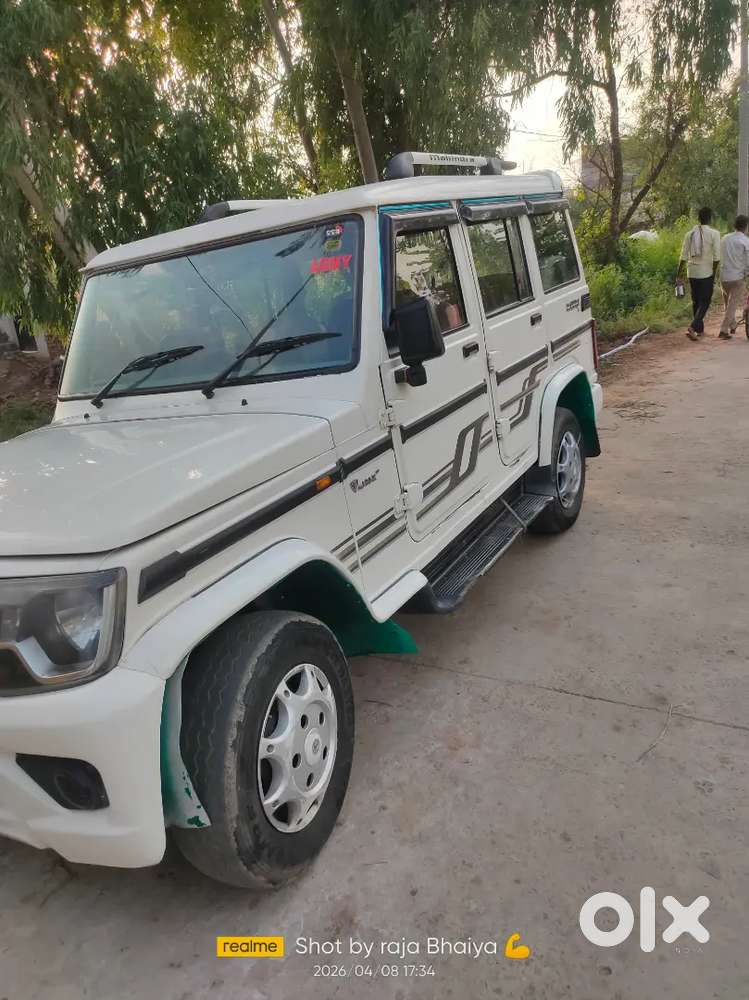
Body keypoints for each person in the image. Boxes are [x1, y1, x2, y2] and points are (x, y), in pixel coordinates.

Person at [676, 207, 721, 341]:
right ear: (710, 218)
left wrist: (679, 275)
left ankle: (699, 330)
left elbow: (683, 257)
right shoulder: (714, 234)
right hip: (706, 272)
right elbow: (717, 257)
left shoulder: (689, 234)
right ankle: (693, 327)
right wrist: (713, 273)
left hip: (692, 272)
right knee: (705, 301)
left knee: (696, 300)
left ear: (698, 219)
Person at [718, 215, 749, 339]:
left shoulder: (725, 238)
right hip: (737, 277)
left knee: (728, 303)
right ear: (746, 226)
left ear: (734, 225)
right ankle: (723, 330)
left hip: (724, 276)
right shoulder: (745, 241)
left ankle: (733, 325)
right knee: (733, 304)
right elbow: (748, 260)